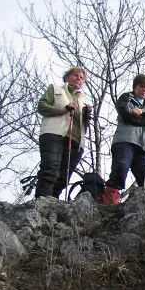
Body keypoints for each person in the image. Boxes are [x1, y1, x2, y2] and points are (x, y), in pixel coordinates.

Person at [101, 74, 145, 205]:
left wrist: (144, 113)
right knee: (120, 170)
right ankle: (109, 203)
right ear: (135, 87)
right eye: (142, 86)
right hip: (125, 140)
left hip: (143, 145)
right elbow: (127, 116)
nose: (144, 90)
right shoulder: (126, 98)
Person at [35, 67, 92, 199]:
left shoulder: (81, 101)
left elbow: (83, 127)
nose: (78, 78)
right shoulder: (55, 89)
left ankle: (53, 201)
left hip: (76, 141)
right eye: (75, 75)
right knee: (50, 168)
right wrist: (63, 109)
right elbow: (42, 106)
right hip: (54, 134)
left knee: (64, 176)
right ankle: (42, 200)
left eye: (81, 78)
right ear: (66, 78)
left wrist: (85, 115)